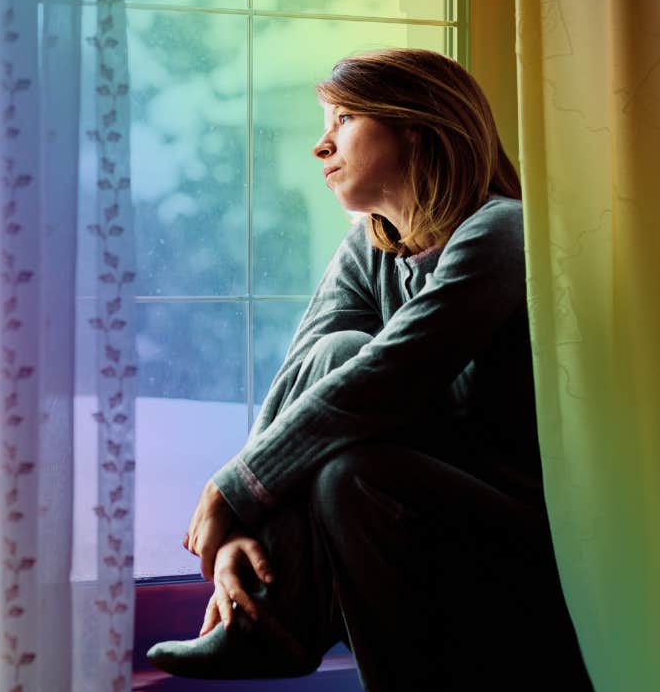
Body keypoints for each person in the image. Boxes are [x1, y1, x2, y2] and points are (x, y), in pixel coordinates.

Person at [145, 48, 594, 690]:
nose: (320, 147)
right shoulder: (370, 244)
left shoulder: (502, 230)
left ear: (418, 126)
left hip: (510, 515)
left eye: (344, 118)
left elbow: (391, 375)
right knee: (330, 363)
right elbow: (304, 374)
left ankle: (281, 626)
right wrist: (237, 525)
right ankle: (268, 621)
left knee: (352, 465)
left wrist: (230, 491)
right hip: (408, 494)